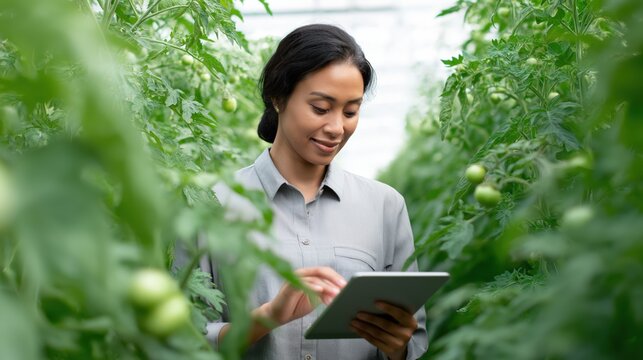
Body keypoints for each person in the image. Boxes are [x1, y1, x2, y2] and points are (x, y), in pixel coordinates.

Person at [195, 24, 427, 359]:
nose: (336, 128)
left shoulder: (385, 207)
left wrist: (399, 347)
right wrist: (268, 317)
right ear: (278, 97)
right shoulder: (212, 204)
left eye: (351, 111)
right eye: (320, 108)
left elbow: (414, 342)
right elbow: (183, 339)